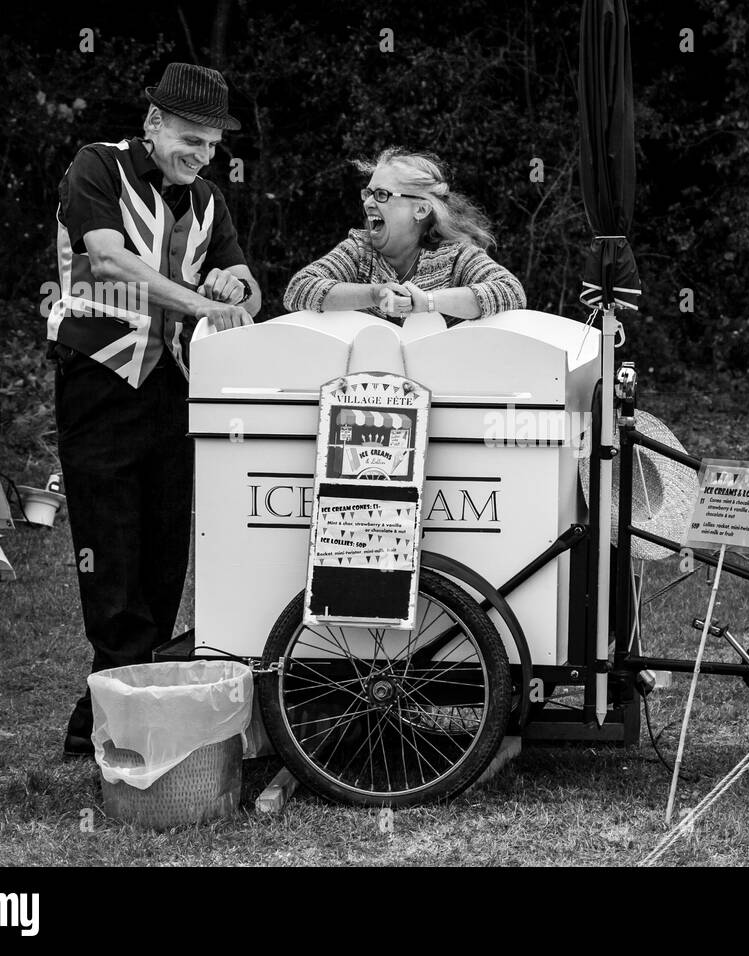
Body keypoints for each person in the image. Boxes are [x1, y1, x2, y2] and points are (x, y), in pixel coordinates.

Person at [47, 62, 262, 760]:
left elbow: (250, 289)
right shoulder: (96, 167)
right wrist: (204, 303)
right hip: (99, 379)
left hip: (171, 390)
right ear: (153, 123)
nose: (200, 156)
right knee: (110, 549)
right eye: (190, 140)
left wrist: (237, 282)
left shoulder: (207, 201)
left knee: (166, 553)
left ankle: (104, 710)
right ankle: (117, 711)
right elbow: (106, 261)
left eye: (210, 147)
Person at [282, 148, 525, 321]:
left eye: (382, 195)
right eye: (368, 193)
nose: (368, 203)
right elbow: (298, 290)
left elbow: (511, 291)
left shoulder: (457, 255)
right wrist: (375, 294)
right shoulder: (359, 250)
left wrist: (427, 302)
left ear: (420, 209)